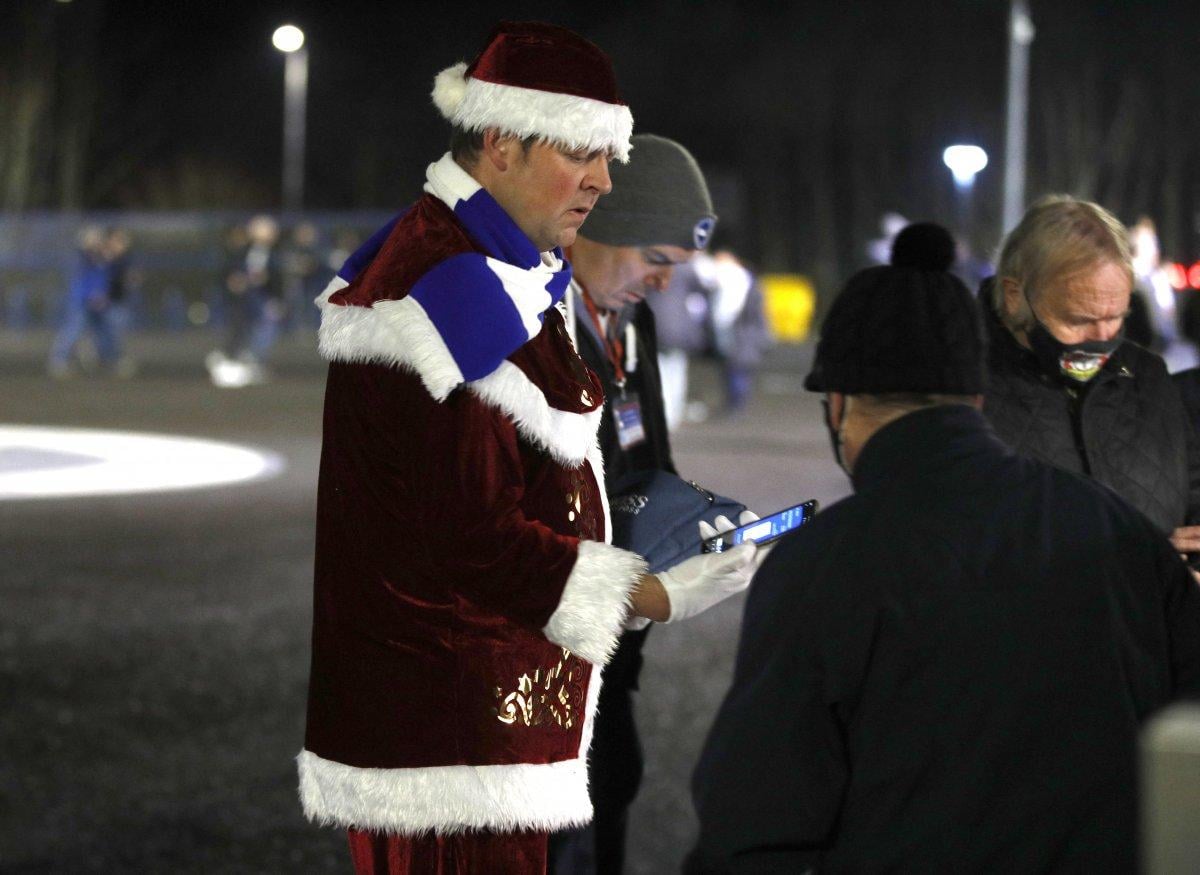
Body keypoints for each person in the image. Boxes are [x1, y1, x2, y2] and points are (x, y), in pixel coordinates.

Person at [297, 23, 757, 874]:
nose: (604, 179)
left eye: (609, 153)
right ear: (501, 140)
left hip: (481, 715)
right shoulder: (443, 282)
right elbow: (467, 536)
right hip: (451, 739)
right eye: (584, 149)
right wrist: (652, 594)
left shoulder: (494, 263)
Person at [688, 231, 1200, 872]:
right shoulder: (1115, 529)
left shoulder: (820, 564)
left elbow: (758, 819)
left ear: (839, 404)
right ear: (977, 397)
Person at [547, 133, 734, 875]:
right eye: (655, 261)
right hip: (546, 654)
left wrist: (695, 523)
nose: (664, 285)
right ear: (594, 225)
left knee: (611, 789)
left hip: (615, 651)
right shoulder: (530, 327)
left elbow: (648, 458)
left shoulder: (632, 322)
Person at [981, 195, 1200, 563]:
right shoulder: (965, 390)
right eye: (1077, 320)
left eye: (1116, 316)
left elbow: (1193, 493)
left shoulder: (1147, 375)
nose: (1103, 338)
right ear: (1016, 295)